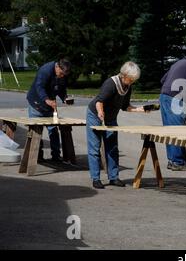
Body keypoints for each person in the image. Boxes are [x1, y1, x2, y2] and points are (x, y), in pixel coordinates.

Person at [86, 61, 145, 189]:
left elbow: (125, 106)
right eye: (131, 79)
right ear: (124, 75)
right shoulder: (111, 84)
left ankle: (113, 177)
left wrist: (139, 109)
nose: (132, 81)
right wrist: (101, 113)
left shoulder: (128, 87)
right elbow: (99, 101)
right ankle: (95, 179)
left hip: (111, 118)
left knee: (112, 147)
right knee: (95, 149)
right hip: (95, 115)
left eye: (134, 79)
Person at [26, 58, 72, 164]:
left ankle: (56, 156)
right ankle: (38, 156)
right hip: (36, 104)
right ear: (57, 67)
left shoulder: (62, 74)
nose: (62, 76)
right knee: (37, 131)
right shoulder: (45, 70)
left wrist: (64, 98)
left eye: (64, 75)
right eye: (61, 73)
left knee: (53, 130)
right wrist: (47, 100)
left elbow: (61, 88)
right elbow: (39, 87)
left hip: (50, 106)